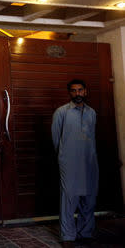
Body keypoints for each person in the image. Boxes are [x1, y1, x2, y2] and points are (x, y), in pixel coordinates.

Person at [51, 79, 98, 246]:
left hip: (89, 161)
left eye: (80, 90)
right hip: (69, 162)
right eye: (74, 91)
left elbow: (91, 138)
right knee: (69, 198)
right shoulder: (61, 112)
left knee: (89, 197)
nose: (77, 93)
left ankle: (85, 232)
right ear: (69, 93)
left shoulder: (92, 113)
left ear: (85, 91)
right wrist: (64, 157)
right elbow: (56, 139)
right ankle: (68, 236)